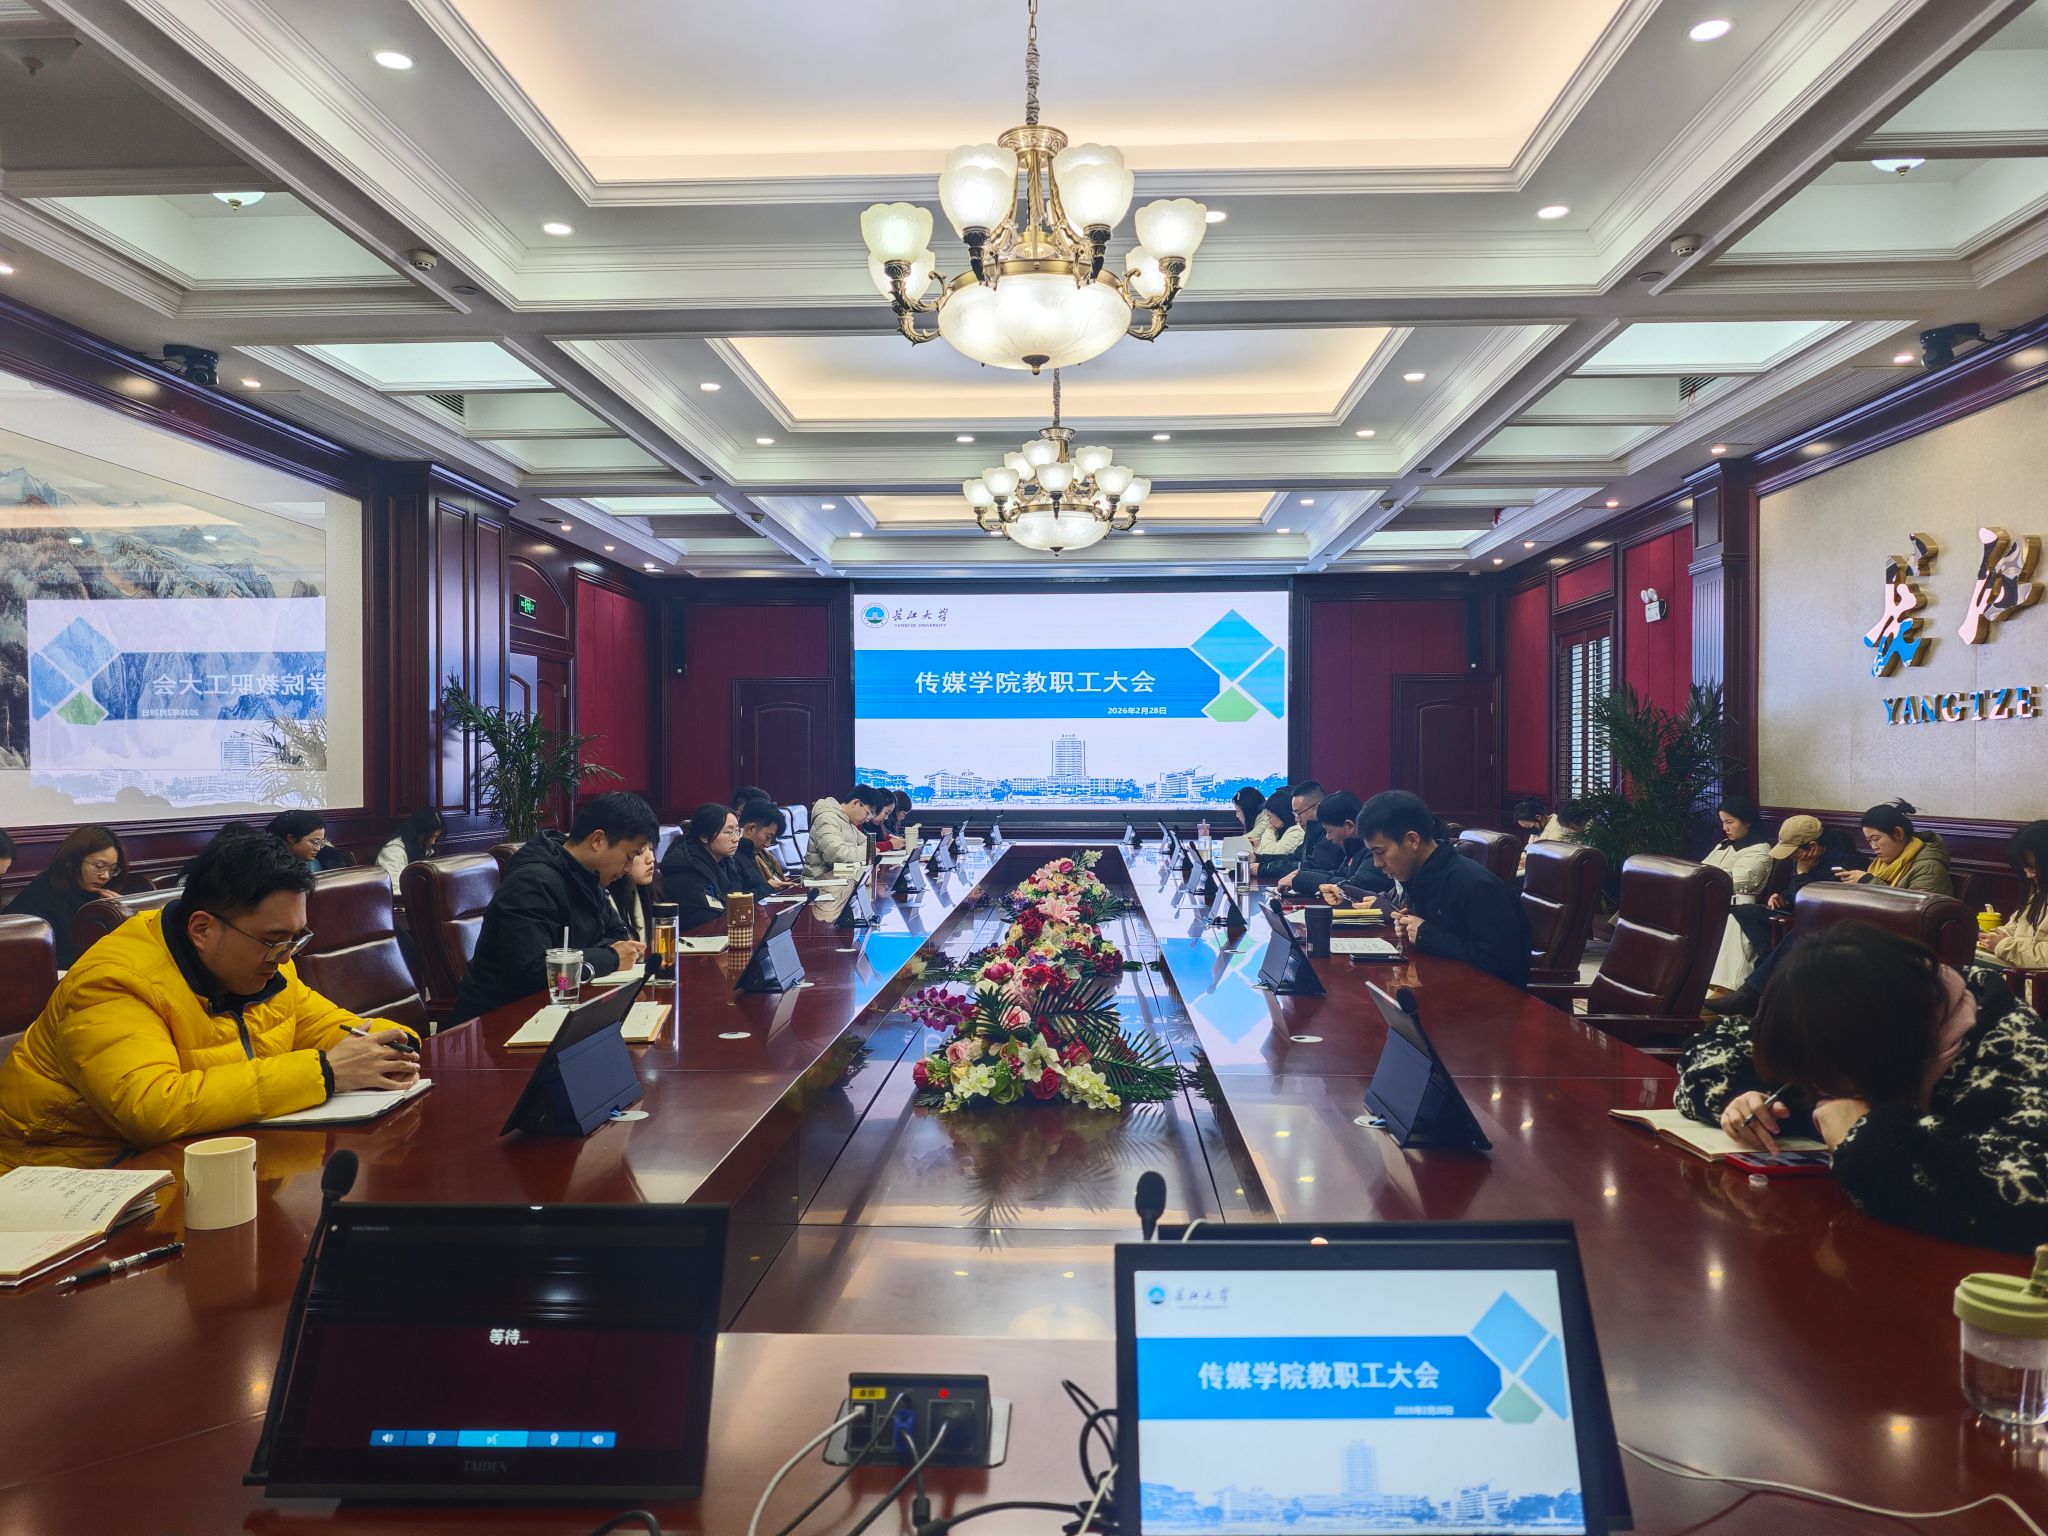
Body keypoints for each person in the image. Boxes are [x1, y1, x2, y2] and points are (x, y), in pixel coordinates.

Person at [0, 831, 418, 1171]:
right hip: (72, 1180)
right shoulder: (114, 981)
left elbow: (324, 1025)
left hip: (193, 1160)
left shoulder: (267, 960)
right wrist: (324, 1072)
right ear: (202, 929)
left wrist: (393, 1044)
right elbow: (153, 1109)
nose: (286, 955)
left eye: (296, 937)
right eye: (275, 940)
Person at [1676, 923, 2048, 1253]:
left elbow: (2030, 1195)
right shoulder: (1830, 1017)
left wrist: (1867, 1133)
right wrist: (1741, 1097)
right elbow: (1711, 1050)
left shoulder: (2010, 1044)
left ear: (1880, 1044)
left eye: (1828, 1077)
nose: (1817, 1087)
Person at [454, 791, 655, 1017]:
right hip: (499, 1021)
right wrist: (611, 957)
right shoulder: (532, 883)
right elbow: (532, 973)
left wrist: (588, 957)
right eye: (630, 856)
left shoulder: (587, 875)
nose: (628, 868)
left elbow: (618, 936)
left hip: (560, 1010)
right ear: (598, 840)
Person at [1357, 790, 1531, 987]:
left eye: (1380, 852)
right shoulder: (1421, 877)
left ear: (1412, 840)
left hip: (1482, 1000)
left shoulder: (1476, 885)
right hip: (1440, 987)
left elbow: (1502, 965)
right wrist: (1411, 929)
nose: (1377, 863)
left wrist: (1425, 934)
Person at [5, 825, 128, 970]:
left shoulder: (100, 895)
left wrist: (120, 914)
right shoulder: (43, 894)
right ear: (70, 861)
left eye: (112, 869)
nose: (105, 876)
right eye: (99, 866)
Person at [1704, 795, 1774, 995]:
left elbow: (1736, 881)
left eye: (1729, 822)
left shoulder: (1760, 849)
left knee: (1735, 921)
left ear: (1747, 821)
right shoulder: (1723, 844)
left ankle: (1724, 988)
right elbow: (1701, 870)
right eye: (1722, 822)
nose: (1725, 828)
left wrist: (1702, 880)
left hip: (1738, 905)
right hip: (1709, 898)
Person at [1836, 799, 1953, 894]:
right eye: (1869, 841)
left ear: (1898, 834)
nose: (1873, 846)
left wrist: (1867, 881)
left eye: (1876, 839)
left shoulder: (1929, 869)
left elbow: (1913, 910)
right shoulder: (1880, 864)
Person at [660, 803, 743, 930]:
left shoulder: (725, 862)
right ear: (704, 837)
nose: (736, 839)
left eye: (737, 831)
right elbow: (708, 918)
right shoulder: (687, 870)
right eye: (729, 832)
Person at [1981, 821, 2048, 969]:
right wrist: (1994, 935)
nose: (2029, 874)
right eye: (2025, 867)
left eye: (2034, 867)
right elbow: (2017, 926)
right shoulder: (2040, 893)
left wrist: (2004, 945)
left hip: (2035, 982)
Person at [805, 785, 881, 877]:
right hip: (820, 880)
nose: (867, 820)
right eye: (868, 814)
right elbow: (837, 855)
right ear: (855, 803)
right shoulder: (827, 818)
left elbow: (869, 844)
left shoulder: (848, 822)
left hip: (839, 879)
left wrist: (867, 851)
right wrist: (868, 853)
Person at [734, 802, 801, 897]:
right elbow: (735, 900)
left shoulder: (750, 853)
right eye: (768, 837)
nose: (767, 845)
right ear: (751, 829)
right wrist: (768, 887)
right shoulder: (730, 856)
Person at [607, 841, 661, 947]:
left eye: (650, 849)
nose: (651, 859)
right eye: (640, 852)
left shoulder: (648, 892)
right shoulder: (605, 900)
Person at [374, 807, 445, 885]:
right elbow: (395, 889)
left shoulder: (425, 847)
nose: (433, 842)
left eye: (436, 837)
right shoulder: (393, 851)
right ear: (418, 832)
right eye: (430, 836)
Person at [265, 810, 329, 875]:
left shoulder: (311, 862)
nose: (318, 848)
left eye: (321, 842)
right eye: (314, 842)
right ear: (292, 839)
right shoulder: (269, 866)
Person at [1248, 790, 1302, 860]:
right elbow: (1265, 856)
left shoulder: (1297, 832)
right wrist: (1257, 846)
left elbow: (1269, 853)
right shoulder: (1281, 830)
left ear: (1281, 814)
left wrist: (1270, 830)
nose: (1268, 820)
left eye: (1269, 816)